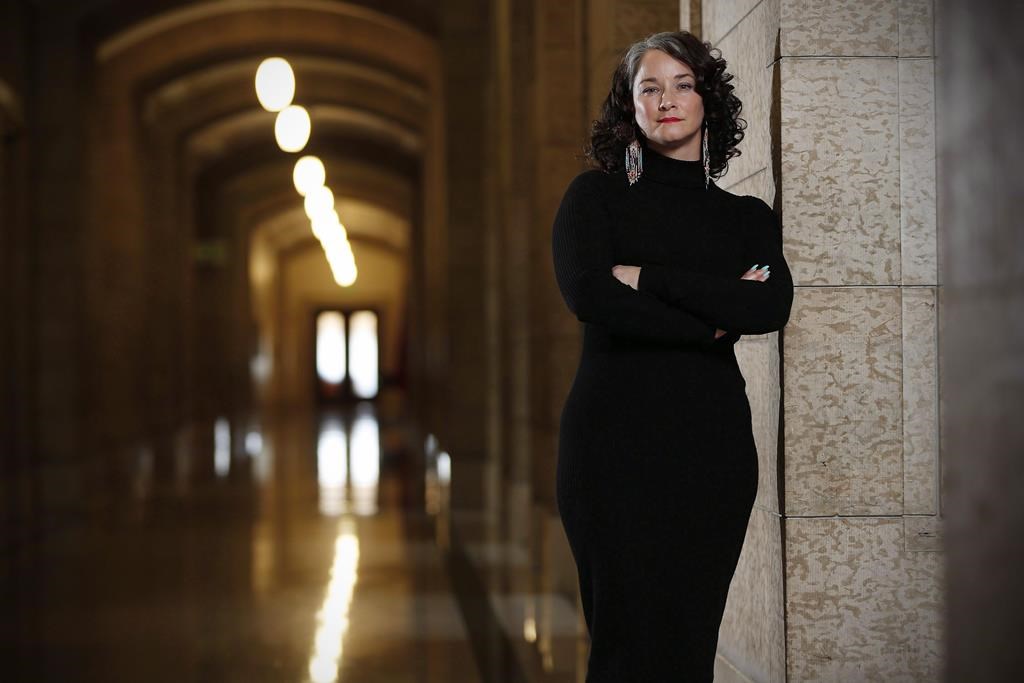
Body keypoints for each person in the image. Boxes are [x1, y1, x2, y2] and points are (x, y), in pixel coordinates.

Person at [550, 31, 794, 681]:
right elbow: (590, 295)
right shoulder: (593, 199)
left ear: (707, 99)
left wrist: (648, 278)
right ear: (629, 106)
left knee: (688, 652)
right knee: (625, 651)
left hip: (711, 455)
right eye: (649, 87)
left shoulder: (746, 218)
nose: (667, 100)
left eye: (683, 85)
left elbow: (768, 309)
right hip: (612, 450)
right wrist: (711, 319)